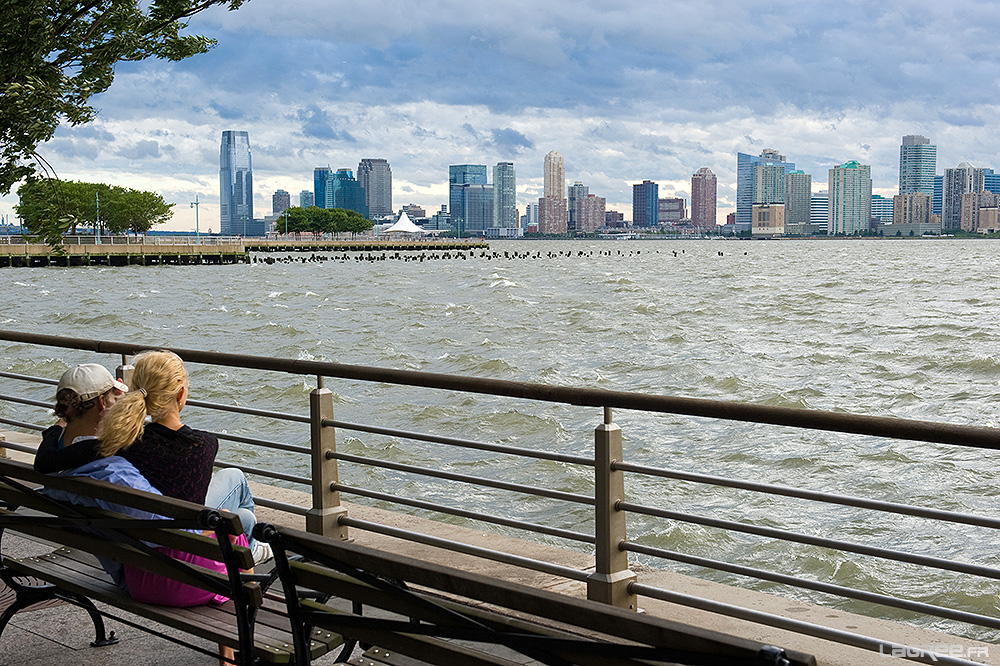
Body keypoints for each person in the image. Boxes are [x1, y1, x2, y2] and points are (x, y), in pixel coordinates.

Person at [96, 350, 270, 564]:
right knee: (237, 484)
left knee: (244, 513)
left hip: (145, 546)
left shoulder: (122, 443)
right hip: (183, 547)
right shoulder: (203, 445)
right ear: (180, 394)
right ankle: (249, 550)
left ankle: (251, 547)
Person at [33, 363, 128, 473]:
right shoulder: (113, 452)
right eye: (114, 395)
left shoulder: (55, 446)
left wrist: (54, 430)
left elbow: (43, 462)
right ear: (102, 402)